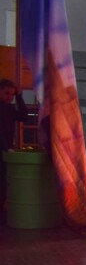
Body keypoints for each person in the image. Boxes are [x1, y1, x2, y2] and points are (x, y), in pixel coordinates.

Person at [0, 80, 28, 209]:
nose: (10, 97)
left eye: (12, 94)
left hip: (5, 149)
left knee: (4, 179)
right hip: (4, 148)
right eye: (7, 93)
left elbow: (23, 116)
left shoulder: (8, 108)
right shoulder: (6, 108)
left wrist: (19, 96)